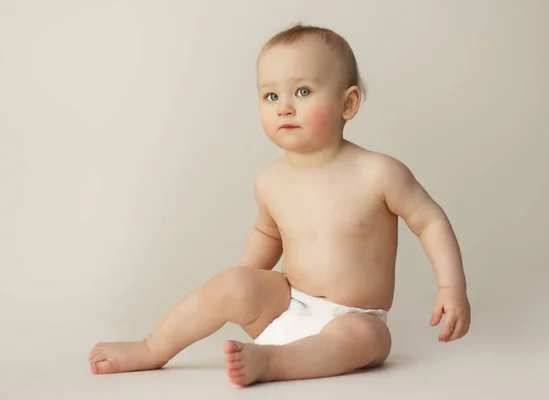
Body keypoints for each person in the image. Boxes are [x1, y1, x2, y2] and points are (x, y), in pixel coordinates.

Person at [89, 23, 471, 387]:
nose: (284, 107)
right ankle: (152, 348)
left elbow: (429, 222)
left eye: (303, 92)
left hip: (354, 318)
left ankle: (273, 363)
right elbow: (266, 233)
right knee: (230, 281)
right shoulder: (270, 179)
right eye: (271, 96)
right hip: (287, 308)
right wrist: (244, 286)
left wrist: (451, 287)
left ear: (348, 103)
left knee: (367, 337)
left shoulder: (378, 173)